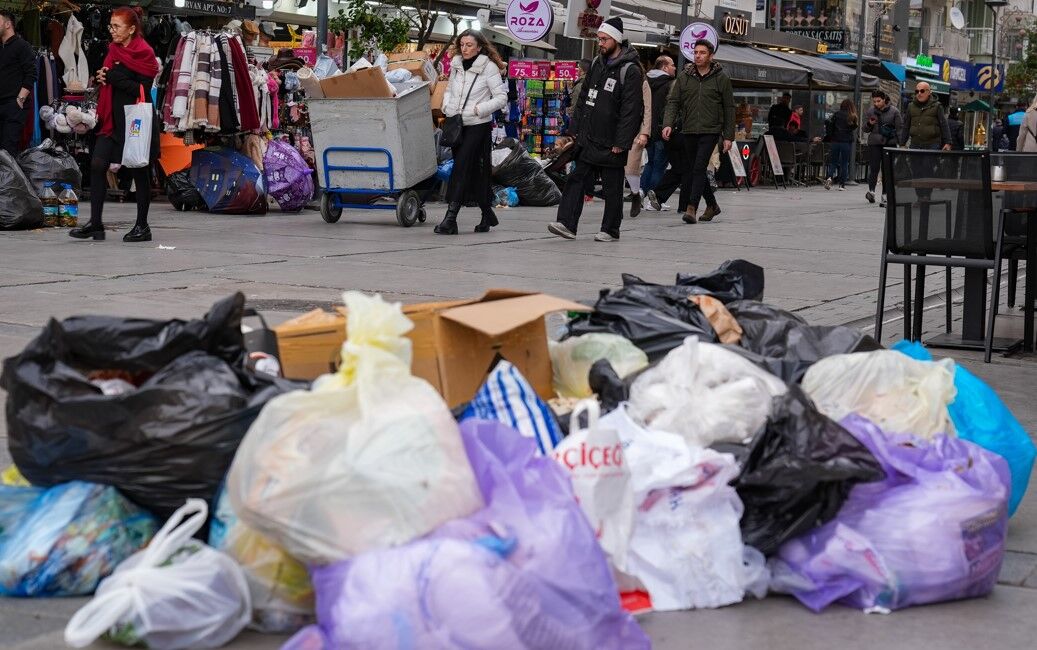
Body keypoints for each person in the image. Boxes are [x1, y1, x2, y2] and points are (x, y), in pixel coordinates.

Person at [548, 17, 643, 242]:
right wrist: (575, 128)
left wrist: (622, 141)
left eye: (604, 39)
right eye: (599, 39)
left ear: (616, 40)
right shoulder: (598, 63)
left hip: (612, 140)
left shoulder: (631, 70)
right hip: (588, 137)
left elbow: (631, 110)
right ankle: (566, 223)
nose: (600, 43)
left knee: (612, 188)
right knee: (576, 179)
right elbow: (583, 98)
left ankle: (610, 229)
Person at [69, 6, 159, 242]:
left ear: (131, 29)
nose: (112, 30)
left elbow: (141, 90)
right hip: (111, 120)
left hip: (135, 120)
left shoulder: (145, 54)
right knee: (98, 163)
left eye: (117, 26)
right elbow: (108, 76)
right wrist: (102, 77)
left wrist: (114, 77)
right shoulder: (113, 50)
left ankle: (142, 226)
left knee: (139, 171)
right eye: (111, 25)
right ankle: (95, 224)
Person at [435, 30, 507, 235]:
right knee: (474, 171)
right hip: (457, 123)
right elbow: (449, 89)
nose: (465, 49)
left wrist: (479, 109)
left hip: (477, 125)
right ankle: (487, 214)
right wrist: (447, 106)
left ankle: (450, 219)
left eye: (469, 45)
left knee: (460, 168)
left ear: (480, 47)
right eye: (462, 44)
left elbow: (501, 97)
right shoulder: (456, 65)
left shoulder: (489, 67)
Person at [661, 38, 734, 224]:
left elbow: (729, 108)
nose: (698, 56)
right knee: (695, 169)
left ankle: (691, 207)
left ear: (711, 56)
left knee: (699, 167)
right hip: (689, 129)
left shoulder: (721, 78)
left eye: (702, 53)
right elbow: (673, 102)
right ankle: (712, 205)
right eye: (695, 53)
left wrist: (728, 136)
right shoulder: (685, 77)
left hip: (710, 130)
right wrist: (668, 123)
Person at [0, 9, 37, 156]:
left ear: (8, 24)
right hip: (2, 104)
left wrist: (20, 99)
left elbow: (32, 74)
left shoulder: (22, 46)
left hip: (13, 106)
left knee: (8, 151)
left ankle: (11, 179)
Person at [641, 55, 675, 208]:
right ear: (664, 67)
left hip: (647, 129)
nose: (674, 67)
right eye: (672, 65)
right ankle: (653, 199)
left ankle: (640, 194)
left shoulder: (645, 81)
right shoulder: (669, 84)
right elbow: (671, 107)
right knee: (659, 165)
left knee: (650, 163)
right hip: (662, 129)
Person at [861, 89, 901, 207]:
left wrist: (900, 142)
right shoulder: (871, 111)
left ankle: (885, 194)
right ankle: (871, 191)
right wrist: (869, 124)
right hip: (874, 143)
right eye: (874, 101)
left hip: (889, 143)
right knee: (874, 168)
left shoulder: (894, 111)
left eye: (878, 101)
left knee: (886, 170)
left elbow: (900, 128)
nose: (876, 103)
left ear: (884, 99)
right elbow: (864, 129)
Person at [624, 59, 651, 219]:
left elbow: (648, 108)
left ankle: (635, 194)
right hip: (618, 127)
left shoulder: (643, 83)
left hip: (636, 129)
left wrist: (644, 132)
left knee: (631, 165)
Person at [899, 81, 951, 152]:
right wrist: (902, 143)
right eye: (917, 91)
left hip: (932, 145)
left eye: (922, 91)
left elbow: (944, 125)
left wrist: (948, 142)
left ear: (929, 92)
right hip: (915, 145)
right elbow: (906, 126)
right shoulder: (910, 106)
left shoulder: (937, 106)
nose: (919, 93)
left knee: (929, 163)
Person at [822, 98, 857, 190]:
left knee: (833, 162)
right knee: (844, 163)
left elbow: (831, 126)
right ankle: (842, 185)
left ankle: (829, 178)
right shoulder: (852, 116)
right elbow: (853, 127)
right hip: (846, 142)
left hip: (835, 141)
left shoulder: (836, 114)